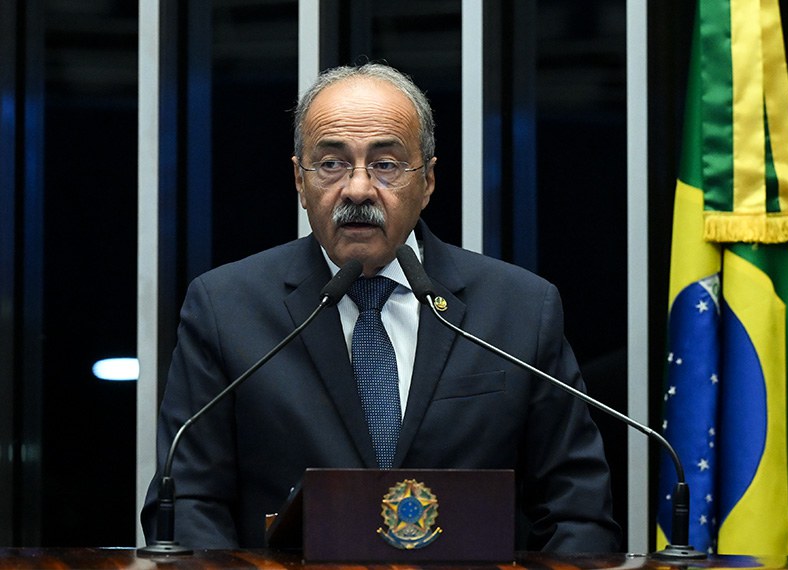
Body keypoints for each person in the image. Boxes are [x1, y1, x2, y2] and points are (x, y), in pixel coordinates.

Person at [141, 63, 621, 553]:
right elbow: (187, 505)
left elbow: (576, 513)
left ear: (428, 180)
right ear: (299, 180)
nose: (357, 189)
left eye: (386, 164)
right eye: (331, 164)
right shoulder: (226, 308)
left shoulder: (519, 308)